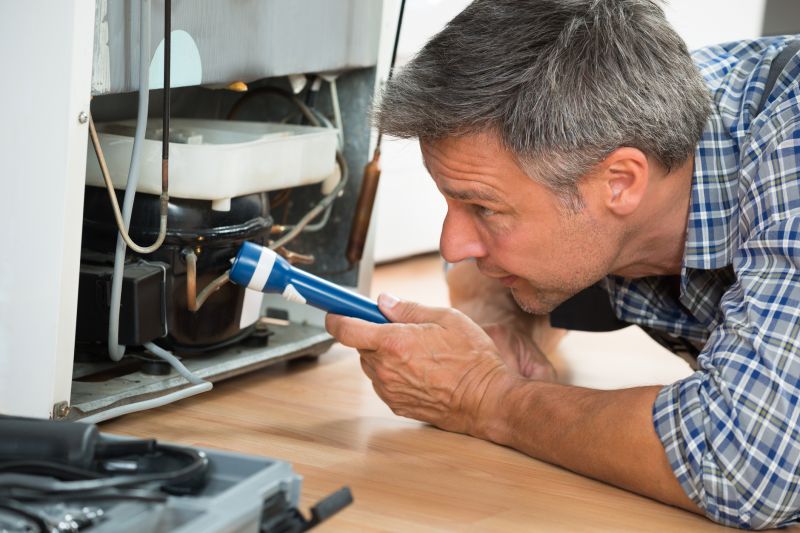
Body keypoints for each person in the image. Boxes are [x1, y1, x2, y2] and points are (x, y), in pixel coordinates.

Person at [325, 0, 800, 528]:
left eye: (483, 208)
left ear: (620, 182)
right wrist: (499, 335)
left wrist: (485, 396)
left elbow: (748, 462)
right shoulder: (614, 132)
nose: (452, 245)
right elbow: (482, 266)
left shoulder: (788, 151)